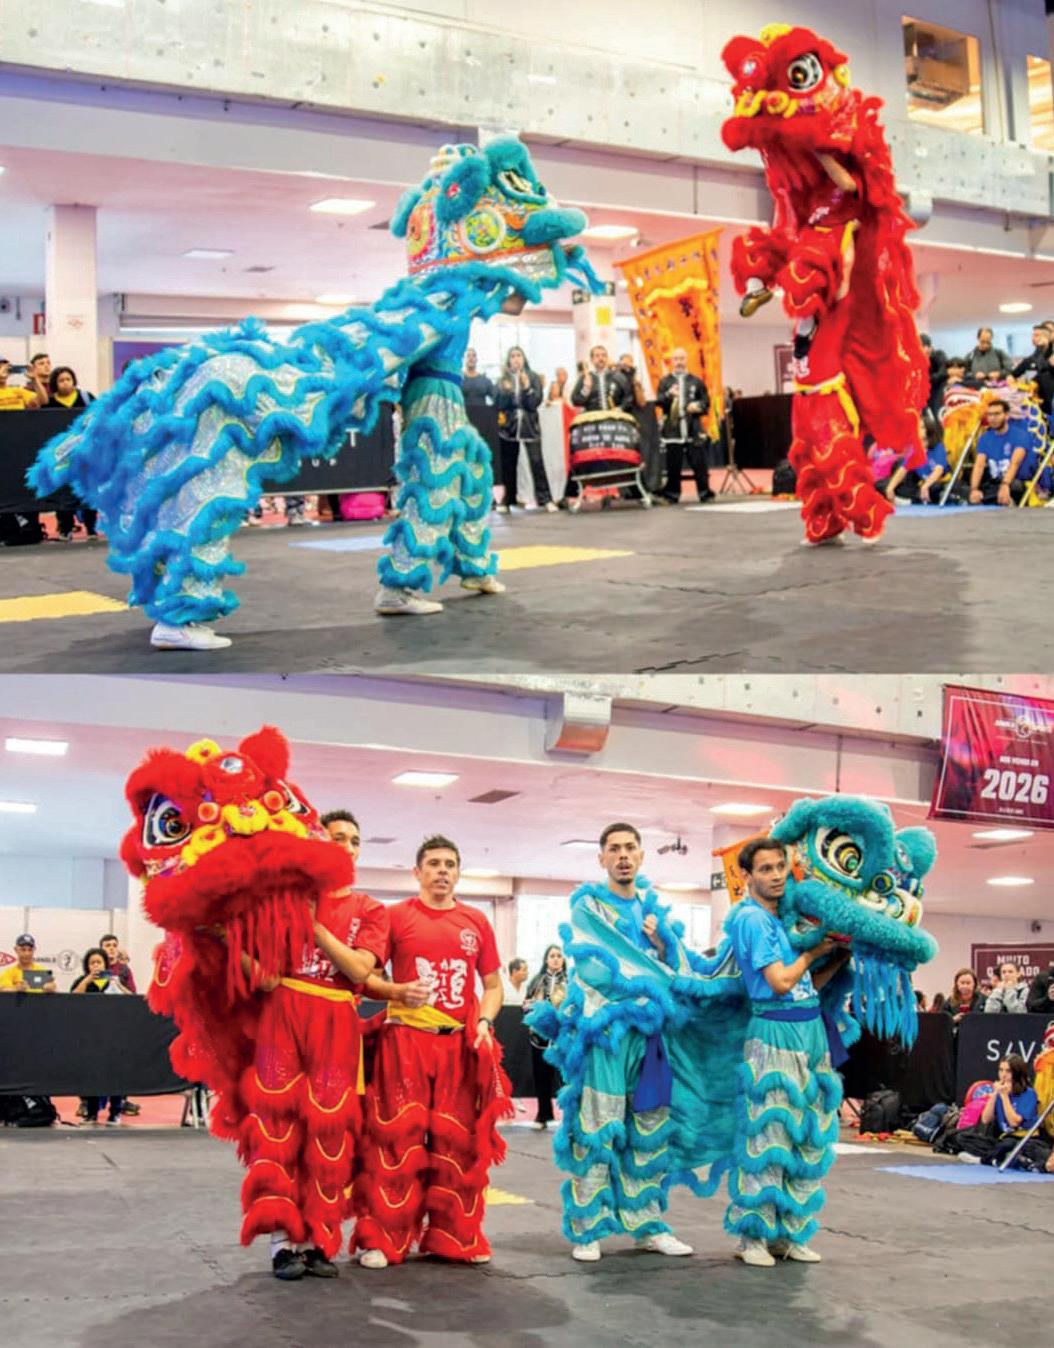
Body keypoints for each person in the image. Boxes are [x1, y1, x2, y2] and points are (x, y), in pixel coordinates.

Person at [530, 822, 700, 1263]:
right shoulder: (589, 908)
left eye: (630, 848)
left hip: (650, 1037)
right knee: (597, 1126)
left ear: (641, 856)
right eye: (614, 849)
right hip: (605, 1033)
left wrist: (662, 943)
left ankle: (648, 1225)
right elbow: (594, 970)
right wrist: (648, 978)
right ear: (601, 858)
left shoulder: (655, 911)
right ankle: (588, 1228)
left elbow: (678, 969)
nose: (623, 855)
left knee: (650, 1128)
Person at [353, 835, 510, 1268]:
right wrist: (397, 991)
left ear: (458, 873)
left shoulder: (476, 920)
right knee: (395, 1141)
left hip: (457, 1045)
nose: (442, 871)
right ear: (417, 872)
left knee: (457, 1144)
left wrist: (484, 1022)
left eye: (450, 864)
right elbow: (365, 977)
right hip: (404, 1042)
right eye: (435, 863)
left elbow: (493, 985)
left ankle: (454, 1237)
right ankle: (383, 1239)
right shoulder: (394, 916)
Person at [724, 837, 850, 1268]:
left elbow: (804, 986)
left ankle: (791, 1233)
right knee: (770, 1136)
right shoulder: (751, 919)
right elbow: (779, 982)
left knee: (808, 1136)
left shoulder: (785, 920)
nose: (777, 875)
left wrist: (837, 956)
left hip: (809, 1031)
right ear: (747, 875)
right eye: (766, 869)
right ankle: (753, 1236)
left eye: (781, 866)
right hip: (774, 1034)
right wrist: (813, 952)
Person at [70, 948, 133, 1124]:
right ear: (87, 966)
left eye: (99, 962)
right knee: (92, 1074)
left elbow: (131, 999)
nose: (96, 966)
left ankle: (115, 1111)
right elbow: (71, 998)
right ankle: (91, 1112)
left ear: (105, 964)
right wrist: (87, 980)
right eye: (92, 963)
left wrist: (118, 985)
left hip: (113, 1035)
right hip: (90, 1036)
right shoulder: (82, 981)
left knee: (116, 1074)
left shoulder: (114, 981)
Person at [494, 346, 555, 513]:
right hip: (509, 427)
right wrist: (506, 392)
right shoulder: (503, 379)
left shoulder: (533, 377)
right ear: (508, 360)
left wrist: (527, 387)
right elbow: (499, 404)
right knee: (508, 464)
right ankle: (507, 501)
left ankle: (546, 499)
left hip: (530, 425)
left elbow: (535, 402)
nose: (516, 359)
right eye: (512, 356)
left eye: (519, 355)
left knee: (537, 461)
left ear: (524, 358)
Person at [954, 1055, 1039, 1164]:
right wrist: (994, 1094)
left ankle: (985, 1160)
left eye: (1008, 1071)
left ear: (1017, 1073)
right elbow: (985, 1119)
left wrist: (1004, 1096)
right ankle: (1000, 1158)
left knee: (1008, 1144)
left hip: (1023, 1139)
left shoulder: (1028, 1093)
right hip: (1003, 1138)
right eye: (1001, 1070)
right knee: (963, 1137)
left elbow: (1014, 1122)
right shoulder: (999, 1092)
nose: (1003, 1075)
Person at [655, 348, 713, 504]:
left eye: (681, 358)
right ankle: (672, 494)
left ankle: (704, 492)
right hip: (672, 429)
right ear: (672, 361)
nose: (679, 362)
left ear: (686, 360)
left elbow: (706, 402)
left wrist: (698, 406)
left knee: (699, 463)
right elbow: (658, 401)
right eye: (676, 359)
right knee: (673, 464)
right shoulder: (665, 381)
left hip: (693, 427)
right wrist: (669, 394)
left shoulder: (696, 381)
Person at [522, 944, 566, 1130]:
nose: (555, 959)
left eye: (559, 956)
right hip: (539, 1036)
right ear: (546, 960)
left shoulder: (571, 981)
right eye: (552, 956)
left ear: (563, 960)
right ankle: (542, 1115)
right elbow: (525, 1005)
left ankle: (569, 1118)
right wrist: (531, 1008)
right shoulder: (536, 981)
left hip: (564, 1036)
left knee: (565, 1078)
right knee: (541, 1077)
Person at [968, 399, 1031, 505]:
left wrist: (1005, 485)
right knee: (967, 490)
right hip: (994, 483)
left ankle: (999, 499)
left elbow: (1015, 463)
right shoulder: (985, 437)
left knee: (1015, 486)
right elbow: (979, 465)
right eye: (990, 415)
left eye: (997, 414)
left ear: (1006, 415)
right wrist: (974, 489)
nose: (993, 418)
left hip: (1013, 481)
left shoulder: (1020, 435)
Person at [570, 346, 629, 414]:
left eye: (604, 355)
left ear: (607, 358)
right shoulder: (585, 377)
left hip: (613, 417)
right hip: (592, 418)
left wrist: (621, 408)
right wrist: (586, 389)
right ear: (592, 360)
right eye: (597, 356)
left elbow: (628, 397)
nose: (601, 358)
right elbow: (575, 401)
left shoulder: (618, 376)